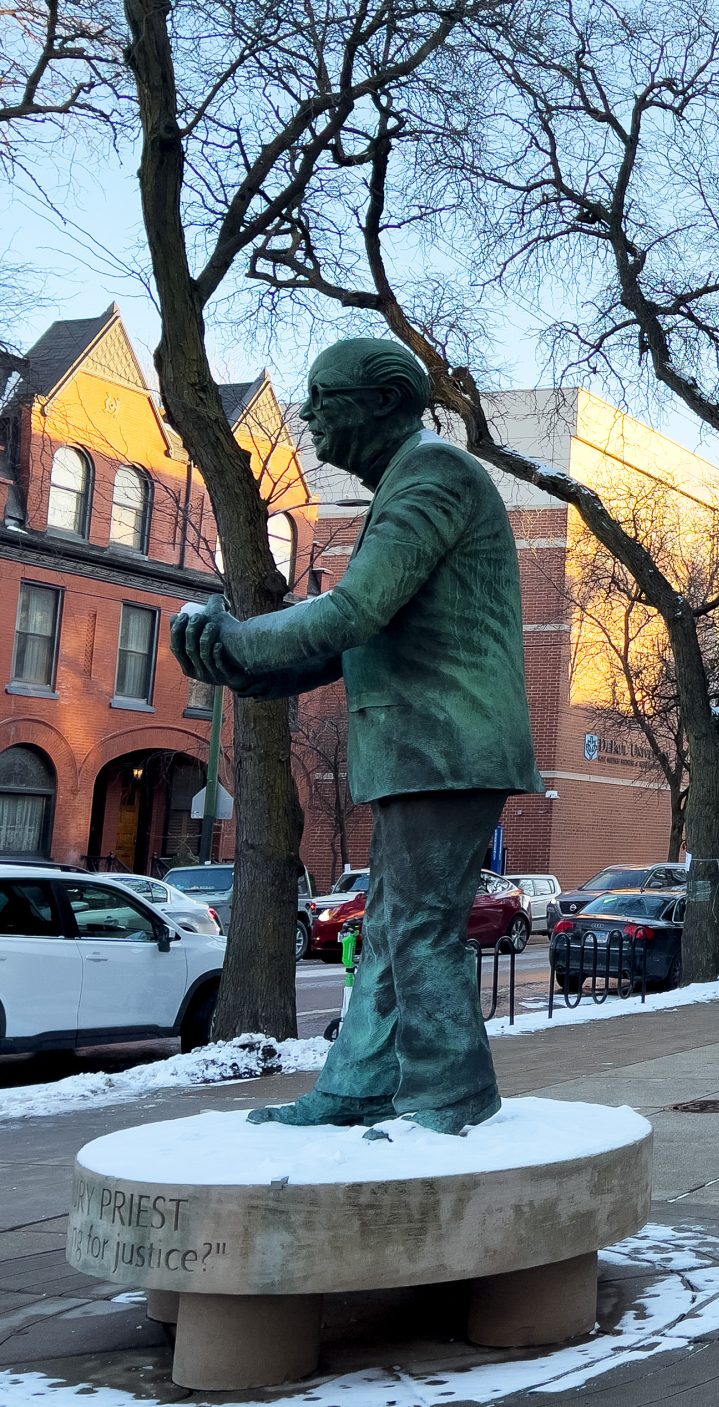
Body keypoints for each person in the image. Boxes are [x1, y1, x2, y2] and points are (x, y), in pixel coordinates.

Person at [172, 338, 542, 1135]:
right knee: (390, 926)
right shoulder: (408, 484)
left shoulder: (434, 475)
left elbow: (351, 613)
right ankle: (359, 1086)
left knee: (415, 927)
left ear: (380, 402)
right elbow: (354, 641)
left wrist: (238, 640)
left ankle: (453, 1093)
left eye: (322, 397)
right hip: (425, 748)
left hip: (448, 746)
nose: (309, 415)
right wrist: (248, 670)